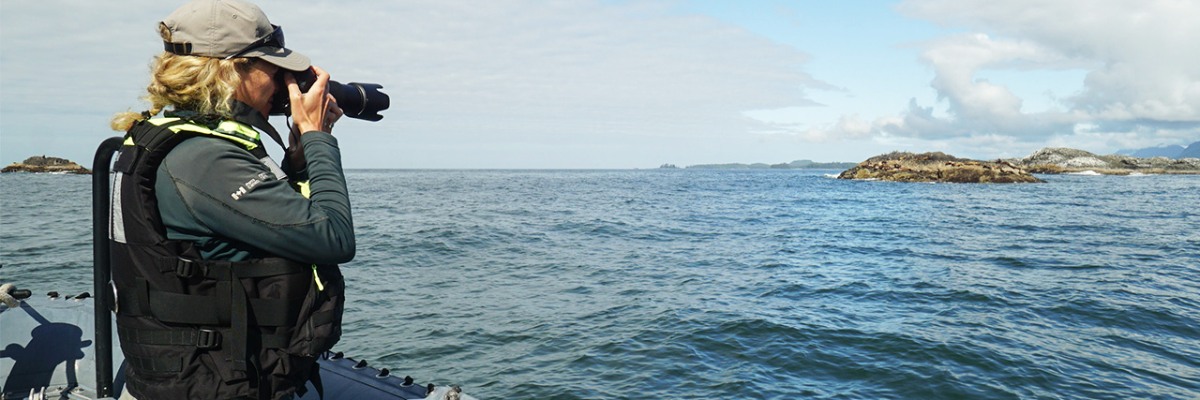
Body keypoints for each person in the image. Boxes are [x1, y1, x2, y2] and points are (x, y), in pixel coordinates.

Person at [108, 0, 353, 398]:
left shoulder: (177, 138)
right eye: (273, 69)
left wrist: (297, 161)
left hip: (203, 375)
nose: (282, 84)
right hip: (219, 383)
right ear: (230, 71)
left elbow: (266, 229)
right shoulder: (205, 159)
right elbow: (334, 238)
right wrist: (318, 137)